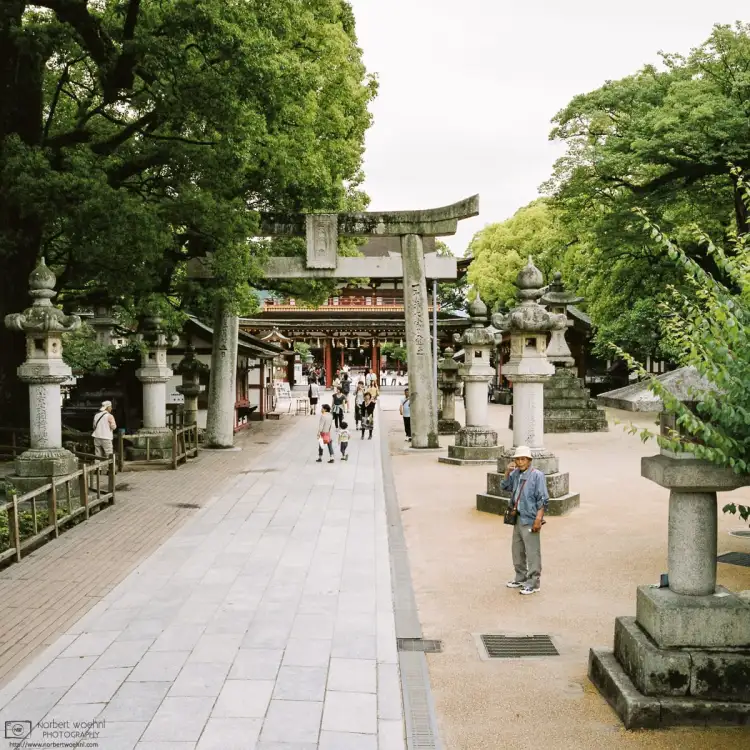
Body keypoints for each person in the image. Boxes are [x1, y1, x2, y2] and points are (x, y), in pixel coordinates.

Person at [501, 446, 549, 595]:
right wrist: (507, 472)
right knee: (517, 550)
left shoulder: (537, 476)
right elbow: (505, 486)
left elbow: (543, 499)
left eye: (523, 459)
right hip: (518, 517)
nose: (520, 462)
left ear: (529, 461)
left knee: (532, 551)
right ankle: (520, 577)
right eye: (517, 459)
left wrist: (538, 519)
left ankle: (534, 582)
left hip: (530, 517)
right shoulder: (515, 474)